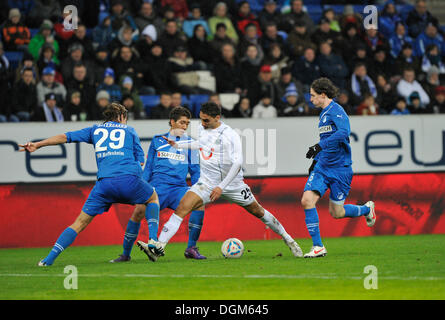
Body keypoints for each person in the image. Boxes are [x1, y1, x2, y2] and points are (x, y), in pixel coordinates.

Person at [138, 102, 303, 260]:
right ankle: (158, 248)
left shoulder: (230, 135)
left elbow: (238, 164)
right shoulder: (205, 130)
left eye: (206, 120)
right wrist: (178, 145)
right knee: (182, 208)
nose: (202, 123)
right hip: (207, 183)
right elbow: (199, 144)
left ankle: (288, 239)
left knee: (257, 211)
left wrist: (221, 187)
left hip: (233, 185)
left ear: (217, 118)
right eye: (201, 119)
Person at [19, 103, 160, 266]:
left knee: (79, 223)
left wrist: (37, 144)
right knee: (152, 198)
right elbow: (141, 162)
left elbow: (65, 137)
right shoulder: (129, 131)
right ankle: (153, 241)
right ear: (122, 117)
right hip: (128, 180)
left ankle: (48, 260)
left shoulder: (94, 130)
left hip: (104, 184)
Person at [111, 106, 206, 262]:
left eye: (187, 123)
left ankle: (191, 248)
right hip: (158, 188)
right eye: (182, 122)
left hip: (178, 189)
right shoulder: (158, 140)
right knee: (138, 212)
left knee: (199, 204)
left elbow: (195, 171)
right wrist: (140, 186)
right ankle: (125, 254)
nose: (184, 126)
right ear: (172, 122)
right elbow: (148, 167)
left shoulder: (191, 144)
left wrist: (198, 190)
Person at [301, 78, 376, 258]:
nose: (310, 99)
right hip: (323, 166)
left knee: (337, 212)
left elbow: (343, 132)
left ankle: (367, 209)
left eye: (313, 96)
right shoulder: (322, 114)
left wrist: (319, 146)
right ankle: (318, 246)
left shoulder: (337, 111)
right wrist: (316, 160)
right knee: (306, 201)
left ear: (323, 95)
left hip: (340, 169)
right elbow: (328, 142)